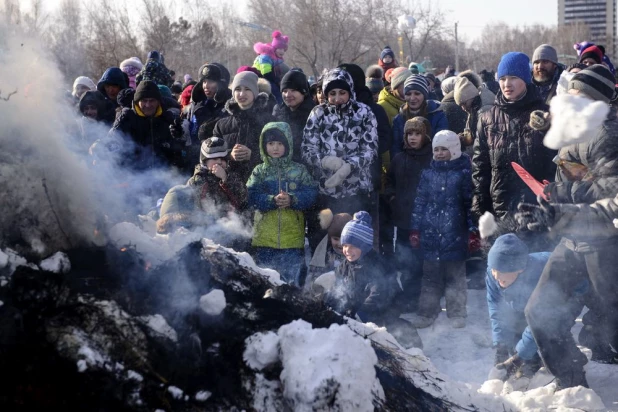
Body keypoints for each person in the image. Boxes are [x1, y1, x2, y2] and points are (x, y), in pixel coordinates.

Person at [472, 52, 556, 224]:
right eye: (502, 79)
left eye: (513, 77)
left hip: (538, 211)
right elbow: (480, 167)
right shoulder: (487, 119)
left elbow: (556, 165)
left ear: (525, 79)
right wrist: (482, 207)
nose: (507, 84)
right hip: (500, 211)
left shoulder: (545, 114)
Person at [408, 130, 478, 329]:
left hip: (455, 234)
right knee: (430, 278)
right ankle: (427, 312)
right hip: (430, 235)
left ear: (454, 150)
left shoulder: (463, 173)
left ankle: (457, 312)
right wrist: (415, 229)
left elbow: (470, 205)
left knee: (456, 278)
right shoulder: (428, 173)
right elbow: (420, 203)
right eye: (436, 149)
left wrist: (473, 231)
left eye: (443, 149)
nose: (439, 153)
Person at [247, 122, 318, 286]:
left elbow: (311, 193)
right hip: (264, 240)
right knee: (264, 282)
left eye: (280, 143)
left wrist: (293, 199)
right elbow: (251, 195)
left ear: (288, 145)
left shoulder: (298, 170)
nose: (275, 148)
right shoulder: (259, 171)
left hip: (292, 241)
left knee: (291, 284)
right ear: (264, 145)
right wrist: (270, 200)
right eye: (271, 143)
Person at [302, 68, 378, 215]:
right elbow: (307, 148)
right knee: (328, 235)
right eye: (332, 94)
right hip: (326, 187)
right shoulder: (318, 113)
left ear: (350, 91)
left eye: (342, 93)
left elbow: (371, 149)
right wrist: (324, 161)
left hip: (357, 188)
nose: (337, 98)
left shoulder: (364, 112)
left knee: (353, 235)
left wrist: (350, 166)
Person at [485, 234, 551, 381]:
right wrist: (501, 344)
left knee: (553, 335)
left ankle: (567, 373)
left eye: (501, 272)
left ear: (519, 270)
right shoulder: (494, 274)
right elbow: (497, 309)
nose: (495, 275)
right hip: (525, 305)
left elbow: (538, 322)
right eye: (494, 269)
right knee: (513, 326)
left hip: (572, 295)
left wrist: (519, 357)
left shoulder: (540, 276)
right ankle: (532, 363)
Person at [384, 117, 433, 312]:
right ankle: (407, 296)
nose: (413, 138)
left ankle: (420, 297)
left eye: (417, 134)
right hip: (403, 220)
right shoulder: (399, 158)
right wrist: (392, 197)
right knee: (404, 259)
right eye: (409, 134)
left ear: (425, 136)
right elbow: (388, 181)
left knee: (420, 260)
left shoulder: (431, 158)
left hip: (424, 221)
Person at [157, 137, 247, 236]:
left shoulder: (231, 177)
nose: (219, 162)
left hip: (231, 229)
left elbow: (242, 199)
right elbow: (194, 210)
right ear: (204, 161)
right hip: (206, 231)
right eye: (215, 158)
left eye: (223, 159)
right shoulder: (197, 181)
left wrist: (225, 178)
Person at [109, 80, 186, 171]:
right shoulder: (126, 118)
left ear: (158, 101)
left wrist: (178, 137)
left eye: (152, 101)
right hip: (133, 176)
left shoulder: (168, 118)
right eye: (144, 101)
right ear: (137, 101)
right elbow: (111, 142)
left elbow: (179, 152)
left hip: (163, 175)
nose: (148, 105)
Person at [213, 71, 274, 184]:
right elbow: (213, 155)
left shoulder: (269, 122)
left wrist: (253, 155)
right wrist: (229, 155)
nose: (241, 94)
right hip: (229, 185)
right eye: (238, 89)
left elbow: (279, 154)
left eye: (247, 89)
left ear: (255, 92)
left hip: (261, 184)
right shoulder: (222, 125)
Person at [391, 74, 448, 157]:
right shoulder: (399, 119)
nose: (412, 98)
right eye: (408, 94)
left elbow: (441, 144)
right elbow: (395, 149)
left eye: (417, 94)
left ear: (424, 95)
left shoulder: (438, 116)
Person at [272, 69, 315, 164]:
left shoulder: (314, 114)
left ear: (304, 92)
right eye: (285, 90)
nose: (288, 95)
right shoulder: (278, 112)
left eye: (293, 90)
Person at [306, 210, 352, 291]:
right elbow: (312, 278)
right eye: (335, 239)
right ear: (330, 238)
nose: (340, 244)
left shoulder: (355, 254)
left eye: (343, 239)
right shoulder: (324, 253)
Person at [188, 63, 231, 143]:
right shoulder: (196, 103)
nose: (206, 86)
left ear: (222, 84)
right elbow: (191, 133)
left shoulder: (231, 106)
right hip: (194, 153)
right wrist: (181, 131)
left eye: (211, 81)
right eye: (204, 81)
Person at [253, 30, 289, 104]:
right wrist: (276, 81)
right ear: (274, 48)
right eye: (279, 49)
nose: (282, 51)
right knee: (276, 91)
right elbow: (266, 73)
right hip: (259, 77)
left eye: (283, 49)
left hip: (268, 77)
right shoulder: (266, 56)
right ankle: (279, 106)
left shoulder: (276, 58)